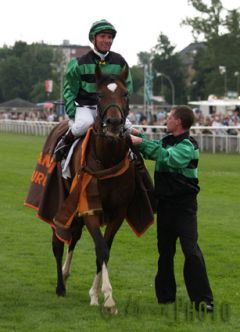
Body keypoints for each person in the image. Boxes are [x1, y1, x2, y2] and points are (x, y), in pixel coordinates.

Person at [130, 105, 214, 312]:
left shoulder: (188, 146)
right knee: (165, 253)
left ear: (178, 122)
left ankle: (203, 299)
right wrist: (133, 133)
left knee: (190, 251)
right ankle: (166, 297)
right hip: (165, 207)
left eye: (169, 117)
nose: (166, 119)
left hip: (184, 209)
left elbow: (166, 156)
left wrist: (140, 142)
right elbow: (157, 147)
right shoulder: (167, 140)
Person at [54, 19, 133, 161]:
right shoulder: (79, 63)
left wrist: (122, 110)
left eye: (110, 37)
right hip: (86, 107)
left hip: (111, 108)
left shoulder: (120, 62)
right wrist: (72, 114)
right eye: (103, 36)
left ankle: (135, 161)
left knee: (129, 128)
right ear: (93, 39)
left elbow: (127, 89)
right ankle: (64, 144)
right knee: (83, 125)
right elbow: (69, 91)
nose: (107, 40)